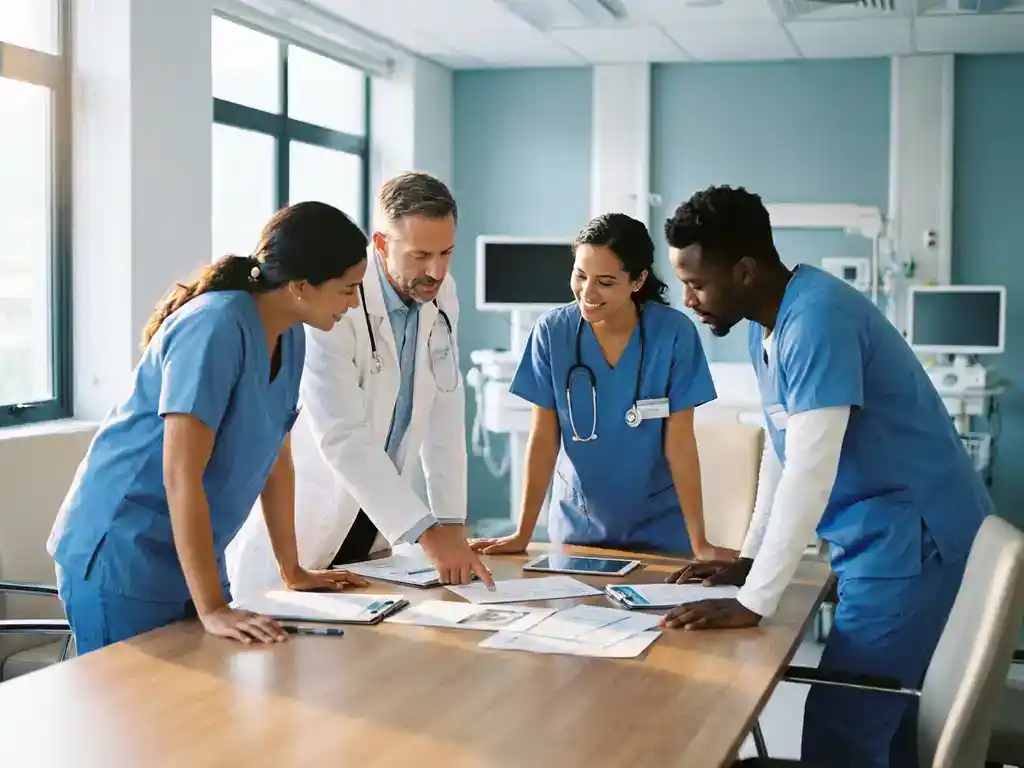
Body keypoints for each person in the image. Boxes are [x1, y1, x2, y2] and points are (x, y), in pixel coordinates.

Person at [660, 185, 992, 767]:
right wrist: (752, 561)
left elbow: (811, 472)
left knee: (847, 730)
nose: (689, 298)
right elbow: (783, 453)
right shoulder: (767, 326)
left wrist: (756, 601)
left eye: (697, 283)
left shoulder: (817, 319)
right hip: (886, 543)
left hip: (914, 546)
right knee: (886, 728)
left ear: (743, 270)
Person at [46, 202, 373, 654]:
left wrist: (292, 569)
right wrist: (213, 607)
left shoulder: (292, 335)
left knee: (198, 710)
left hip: (191, 557)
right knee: (133, 716)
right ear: (300, 286)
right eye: (347, 289)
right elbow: (181, 474)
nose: (353, 303)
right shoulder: (215, 326)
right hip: (123, 553)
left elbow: (276, 463)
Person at [228, 172, 494, 598]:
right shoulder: (333, 300)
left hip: (380, 526)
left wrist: (450, 521)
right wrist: (428, 533)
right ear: (382, 244)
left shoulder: (443, 295)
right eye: (420, 255)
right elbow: (341, 433)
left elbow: (446, 405)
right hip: (318, 516)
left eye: (446, 253)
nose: (436, 271)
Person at [470, 213, 737, 560]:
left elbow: (681, 442)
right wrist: (522, 532)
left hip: (659, 533)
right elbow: (543, 438)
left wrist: (700, 542)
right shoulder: (552, 333)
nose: (588, 293)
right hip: (577, 532)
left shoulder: (673, 335)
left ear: (638, 280)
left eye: (606, 282)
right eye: (580, 275)